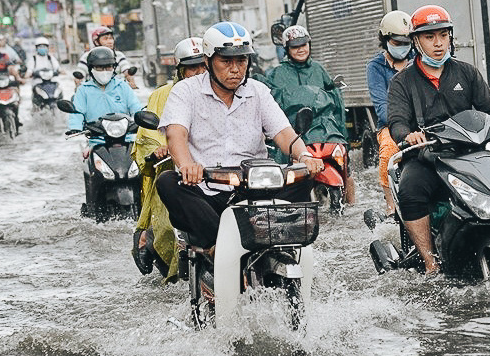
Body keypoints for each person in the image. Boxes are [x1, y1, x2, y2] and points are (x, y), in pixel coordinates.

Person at [388, 4, 490, 274]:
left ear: (450, 38)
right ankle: (430, 262)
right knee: (410, 191)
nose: (438, 43)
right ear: (416, 41)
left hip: (471, 153)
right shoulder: (402, 82)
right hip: (428, 156)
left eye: (443, 35)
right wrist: (408, 136)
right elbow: (396, 121)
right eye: (430, 37)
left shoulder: (467, 73)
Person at [155, 21, 324, 253]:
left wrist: (305, 156)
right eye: (226, 61)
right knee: (168, 182)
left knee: (303, 176)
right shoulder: (186, 91)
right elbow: (176, 133)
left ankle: (280, 243)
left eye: (241, 60)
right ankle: (220, 246)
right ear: (208, 61)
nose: (235, 69)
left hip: (256, 188)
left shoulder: (258, 91)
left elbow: (283, 133)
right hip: (207, 190)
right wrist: (187, 165)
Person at [131, 37, 207, 279]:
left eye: (202, 66)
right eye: (191, 68)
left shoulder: (222, 91)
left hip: (216, 170)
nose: (198, 73)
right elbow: (148, 135)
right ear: (180, 70)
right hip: (176, 168)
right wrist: (162, 149)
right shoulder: (163, 95)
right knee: (166, 222)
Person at [261, 24, 355, 204]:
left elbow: (335, 99)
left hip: (324, 130)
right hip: (296, 131)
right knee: (286, 174)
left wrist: (343, 135)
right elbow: (272, 104)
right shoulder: (278, 74)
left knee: (347, 169)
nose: (301, 49)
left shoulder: (318, 69)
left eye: (304, 44)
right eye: (295, 46)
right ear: (287, 49)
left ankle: (351, 207)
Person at [366, 10, 413, 218]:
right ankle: (390, 204)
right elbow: (381, 107)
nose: (402, 46)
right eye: (397, 42)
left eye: (406, 42)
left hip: (421, 122)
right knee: (388, 152)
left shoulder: (418, 61)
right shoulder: (376, 67)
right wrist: (403, 127)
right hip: (391, 123)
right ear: (385, 40)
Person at [66, 46, 143, 136]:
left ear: (113, 68)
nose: (105, 71)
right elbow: (77, 112)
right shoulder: (83, 90)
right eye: (100, 67)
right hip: (96, 137)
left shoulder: (123, 86)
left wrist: (141, 121)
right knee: (86, 150)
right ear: (91, 69)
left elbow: (135, 107)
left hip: (125, 136)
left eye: (108, 67)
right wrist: (75, 128)